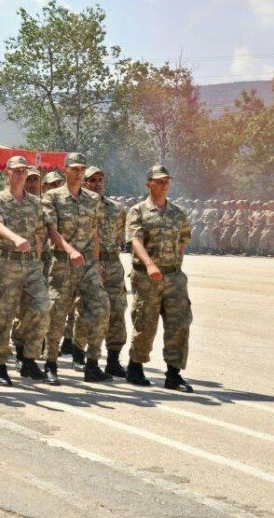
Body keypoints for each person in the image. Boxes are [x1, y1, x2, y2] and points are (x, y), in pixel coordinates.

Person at [41, 153, 110, 384]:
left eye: (82, 169)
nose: (80, 173)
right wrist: (69, 250)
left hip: (88, 264)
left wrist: (97, 261)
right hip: (63, 262)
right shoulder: (52, 197)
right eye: (75, 169)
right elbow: (51, 229)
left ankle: (92, 363)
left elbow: (94, 232)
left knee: (102, 308)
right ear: (65, 170)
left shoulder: (93, 199)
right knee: (57, 314)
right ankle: (51, 363)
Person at [125, 164, 194, 392]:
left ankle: (174, 374)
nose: (164, 185)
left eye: (167, 181)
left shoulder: (177, 213)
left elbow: (183, 240)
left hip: (174, 277)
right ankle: (135, 367)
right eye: (159, 181)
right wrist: (150, 264)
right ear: (149, 184)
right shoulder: (138, 211)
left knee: (180, 324)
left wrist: (175, 266)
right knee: (145, 323)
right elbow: (134, 241)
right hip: (147, 277)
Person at [0, 155, 50, 386]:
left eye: (25, 171)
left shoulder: (35, 202)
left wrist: (39, 260)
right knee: (3, 316)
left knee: (42, 308)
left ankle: (28, 358)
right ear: (7, 173)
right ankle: (0, 365)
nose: (22, 174)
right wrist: (16, 238)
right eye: (17, 170)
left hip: (32, 266)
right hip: (7, 264)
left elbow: (40, 234)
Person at [84, 165, 128, 378]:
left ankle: (113, 360)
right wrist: (94, 261)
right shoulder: (81, 207)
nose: (97, 183)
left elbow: (119, 235)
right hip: (90, 264)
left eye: (100, 179)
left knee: (118, 312)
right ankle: (87, 359)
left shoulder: (116, 208)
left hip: (113, 264)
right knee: (95, 313)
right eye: (92, 180)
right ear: (84, 183)